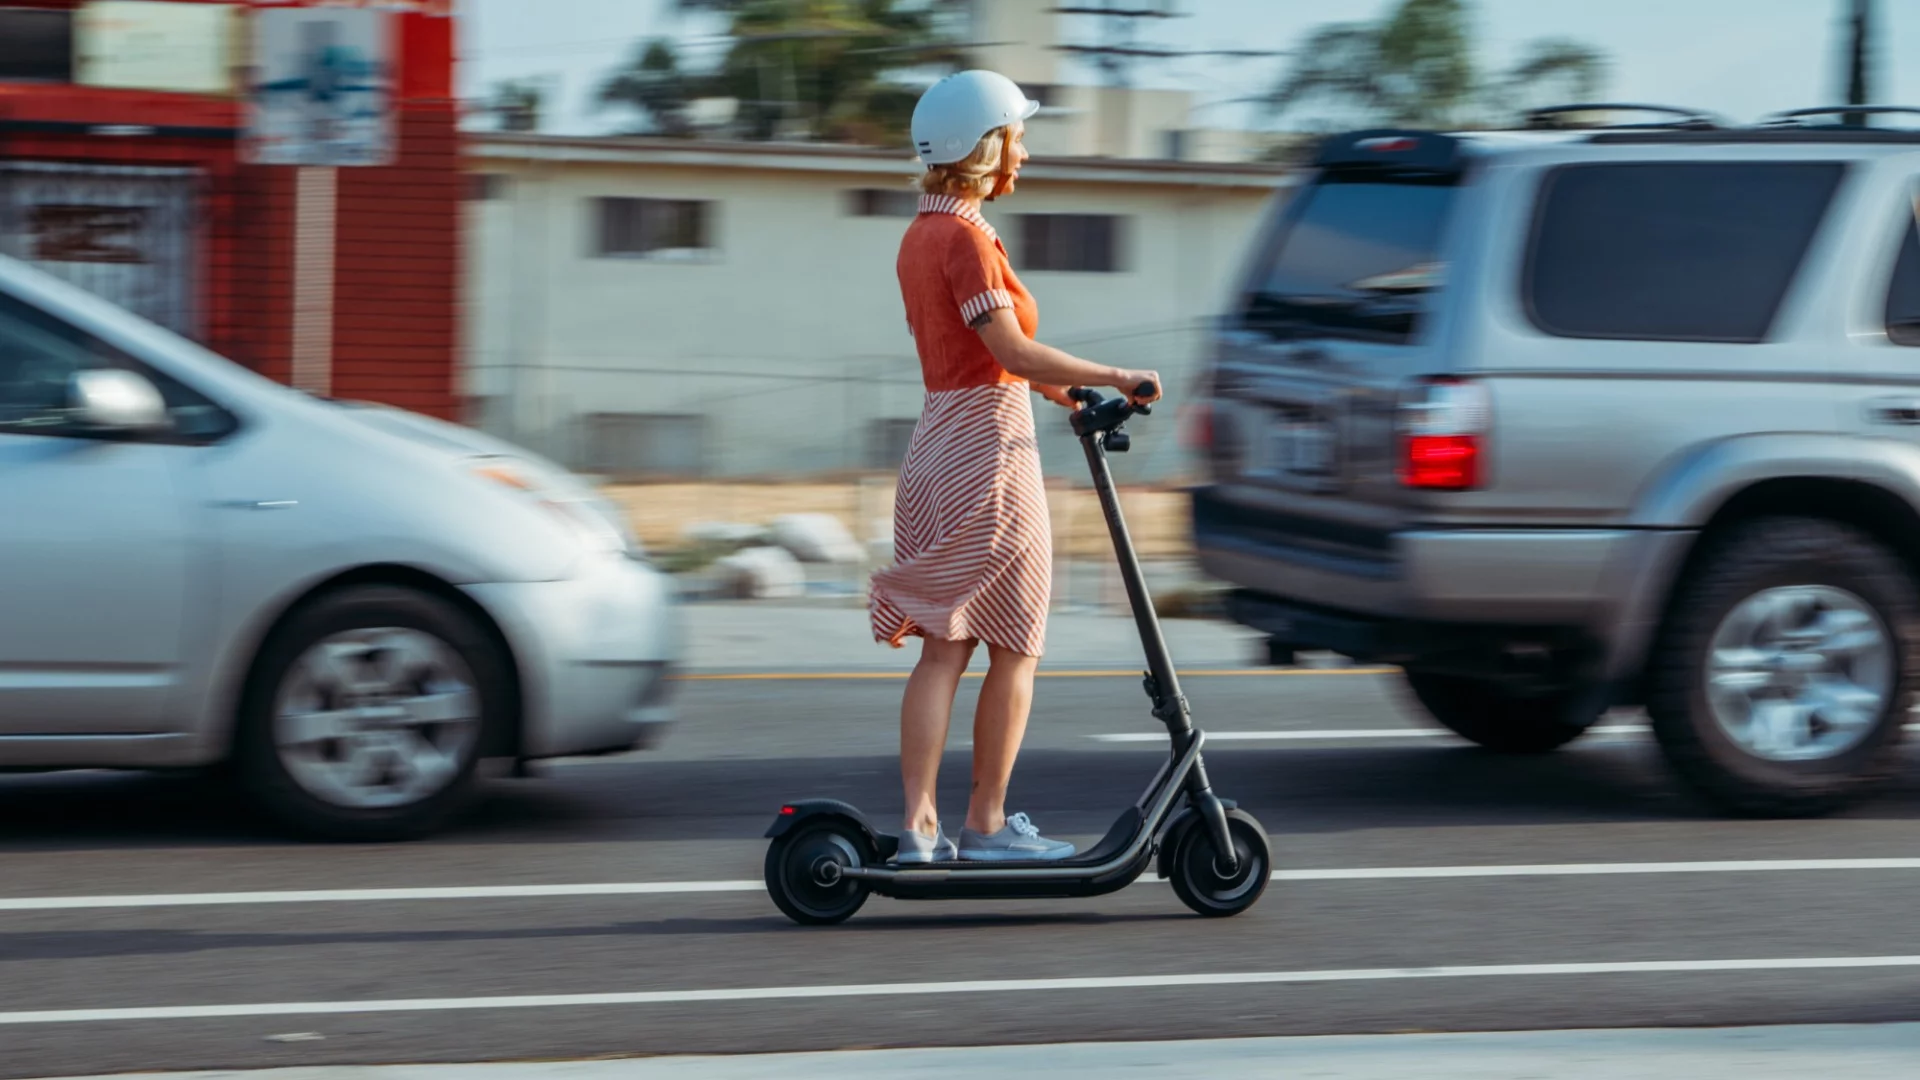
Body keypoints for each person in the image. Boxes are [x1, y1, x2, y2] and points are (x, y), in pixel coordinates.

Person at [870, 70, 1161, 864]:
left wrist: (1074, 397)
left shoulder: (918, 234)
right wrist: (1115, 377)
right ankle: (988, 827)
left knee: (944, 645)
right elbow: (1010, 351)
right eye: (1017, 137)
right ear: (981, 146)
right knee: (1015, 644)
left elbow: (993, 360)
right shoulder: (964, 237)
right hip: (988, 453)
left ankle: (919, 828)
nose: (1024, 153)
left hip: (935, 440)